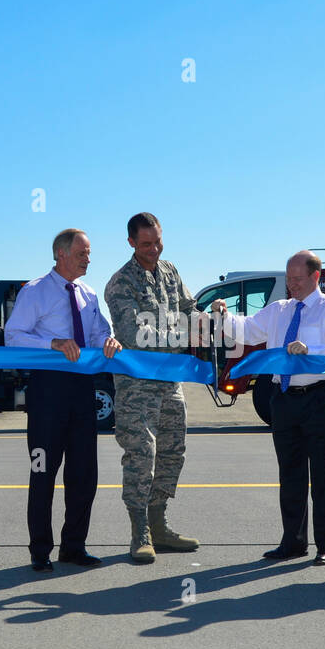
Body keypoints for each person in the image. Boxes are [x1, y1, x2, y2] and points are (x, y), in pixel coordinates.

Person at [213, 251, 325, 564]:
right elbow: (247, 329)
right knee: (290, 474)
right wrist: (224, 316)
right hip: (284, 398)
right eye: (288, 278)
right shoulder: (278, 310)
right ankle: (293, 542)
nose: (291, 284)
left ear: (315, 277)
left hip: (322, 398)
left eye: (297, 279)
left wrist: (311, 351)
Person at [5, 229, 122, 572]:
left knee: (84, 474)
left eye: (89, 253)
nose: (88, 259)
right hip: (48, 392)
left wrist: (110, 340)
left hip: (83, 389)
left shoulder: (88, 293)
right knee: (43, 471)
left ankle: (74, 546)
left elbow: (100, 331)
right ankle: (40, 550)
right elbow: (13, 337)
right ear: (61, 253)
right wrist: (53, 343)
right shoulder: (35, 291)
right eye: (82, 253)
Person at [104, 212, 201, 563]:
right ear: (131, 242)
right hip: (137, 388)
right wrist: (186, 335)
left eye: (158, 241)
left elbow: (189, 309)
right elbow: (135, 336)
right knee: (141, 455)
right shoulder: (120, 283)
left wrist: (209, 313)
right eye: (146, 244)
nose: (154, 248)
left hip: (169, 383)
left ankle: (160, 525)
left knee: (173, 451)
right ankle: (139, 532)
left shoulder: (171, 272)